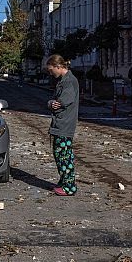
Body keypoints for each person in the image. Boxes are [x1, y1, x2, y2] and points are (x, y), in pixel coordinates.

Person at [46, 54, 79, 196]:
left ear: (58, 66)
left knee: (64, 155)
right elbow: (53, 102)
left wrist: (52, 104)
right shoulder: (63, 81)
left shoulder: (69, 81)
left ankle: (69, 186)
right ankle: (64, 181)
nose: (50, 73)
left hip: (64, 124)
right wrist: (51, 103)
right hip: (60, 124)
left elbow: (60, 104)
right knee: (60, 154)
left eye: (51, 69)